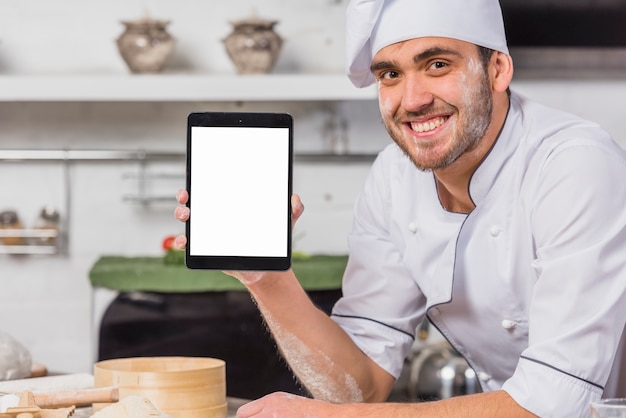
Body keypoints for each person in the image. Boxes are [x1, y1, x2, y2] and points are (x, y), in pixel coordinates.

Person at [174, 0, 626, 416]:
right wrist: (267, 278)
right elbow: (358, 387)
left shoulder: (575, 163)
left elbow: (554, 401)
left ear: (498, 70)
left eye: (437, 64)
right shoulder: (394, 176)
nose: (412, 100)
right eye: (390, 74)